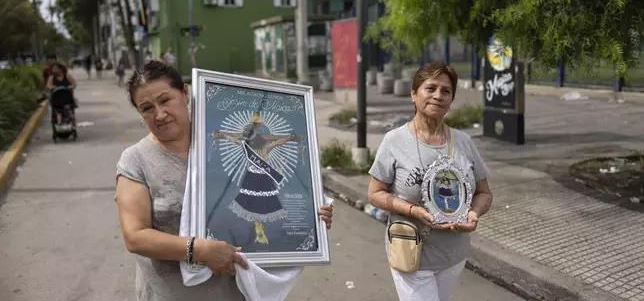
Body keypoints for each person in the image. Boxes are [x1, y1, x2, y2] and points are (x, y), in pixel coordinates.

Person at [115, 61, 334, 301]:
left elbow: (269, 204)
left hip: (235, 292)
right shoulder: (135, 160)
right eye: (147, 108)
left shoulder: (218, 144)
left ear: (185, 93)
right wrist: (198, 250)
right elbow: (135, 236)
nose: (159, 114)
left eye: (165, 100)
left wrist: (310, 218)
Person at [367, 62, 493, 301]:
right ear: (413, 94)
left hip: (453, 255)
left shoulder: (464, 142)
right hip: (411, 252)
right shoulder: (394, 141)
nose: (438, 95)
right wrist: (412, 210)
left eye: (446, 91)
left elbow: (484, 193)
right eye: (430, 88)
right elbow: (375, 193)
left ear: (451, 100)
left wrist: (474, 213)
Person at [46, 62, 77, 126]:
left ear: (61, 69)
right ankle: (59, 125)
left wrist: (70, 87)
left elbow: (74, 84)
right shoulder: (51, 78)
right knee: (58, 113)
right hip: (56, 99)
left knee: (71, 114)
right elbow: (48, 85)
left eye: (55, 68)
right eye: (53, 69)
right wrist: (52, 87)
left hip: (67, 99)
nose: (54, 70)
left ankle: (73, 127)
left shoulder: (67, 76)